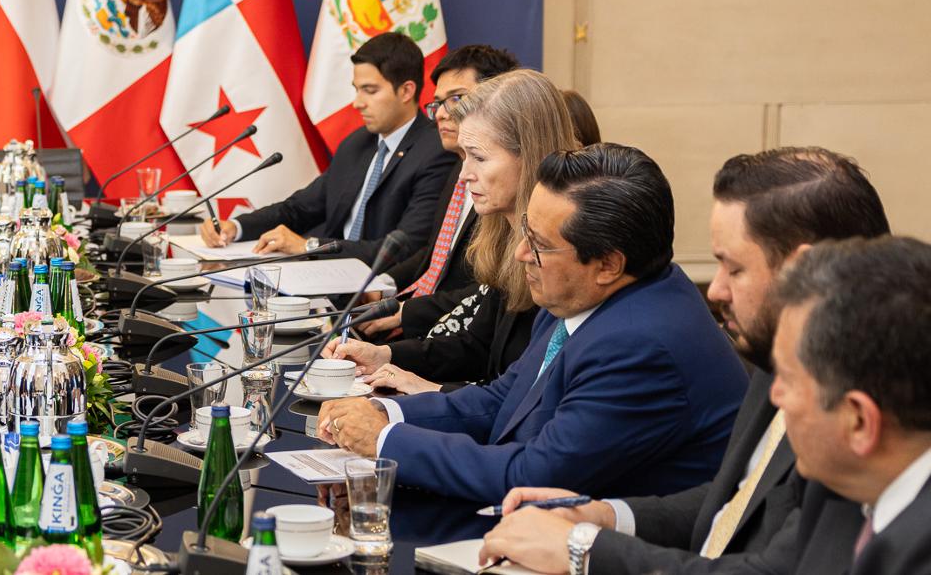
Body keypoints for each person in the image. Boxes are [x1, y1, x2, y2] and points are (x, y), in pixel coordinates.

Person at [478, 149, 890, 572]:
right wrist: (606, 515)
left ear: (799, 269)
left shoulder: (861, 412)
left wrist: (583, 549)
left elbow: (771, 568)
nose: (716, 291)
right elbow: (736, 505)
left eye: (734, 269)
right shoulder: (778, 360)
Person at [315, 143, 747, 503]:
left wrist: (386, 440)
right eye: (525, 231)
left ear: (608, 264)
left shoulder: (640, 347)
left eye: (539, 244)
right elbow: (503, 400)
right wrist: (385, 411)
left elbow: (533, 475)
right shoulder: (585, 293)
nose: (521, 253)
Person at [322, 69, 580, 393]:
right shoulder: (503, 235)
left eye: (479, 158)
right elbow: (477, 344)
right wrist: (383, 356)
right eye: (464, 156)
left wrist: (429, 391)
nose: (463, 175)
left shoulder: (559, 255)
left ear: (529, 156)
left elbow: (520, 397)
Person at [200, 32, 457, 264]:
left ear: (406, 91)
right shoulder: (357, 144)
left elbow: (408, 246)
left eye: (370, 91)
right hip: (328, 278)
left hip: (382, 286)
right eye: (357, 90)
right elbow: (298, 209)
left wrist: (310, 246)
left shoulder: (436, 151)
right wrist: (235, 227)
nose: (357, 103)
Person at [361, 44, 520, 338]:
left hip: (459, 332)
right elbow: (435, 255)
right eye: (437, 103)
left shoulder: (507, 184)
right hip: (423, 313)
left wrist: (408, 313)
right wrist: (382, 284)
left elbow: (489, 288)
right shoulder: (455, 169)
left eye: (456, 99)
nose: (442, 114)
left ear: (497, 99)